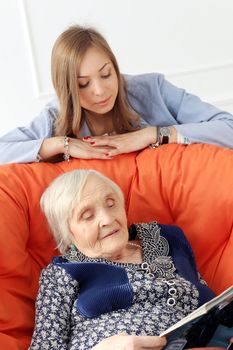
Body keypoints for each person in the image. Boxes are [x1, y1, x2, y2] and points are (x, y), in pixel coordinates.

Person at [29, 168, 226, 350]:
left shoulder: (165, 239)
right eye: (88, 216)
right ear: (68, 232)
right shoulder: (61, 274)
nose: (107, 219)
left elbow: (210, 303)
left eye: (111, 204)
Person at [1, 25, 233, 164]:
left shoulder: (153, 89)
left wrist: (153, 134)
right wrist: (63, 144)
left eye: (106, 74)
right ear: (67, 88)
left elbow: (228, 128)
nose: (100, 91)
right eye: (83, 84)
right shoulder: (55, 117)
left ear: (115, 66)